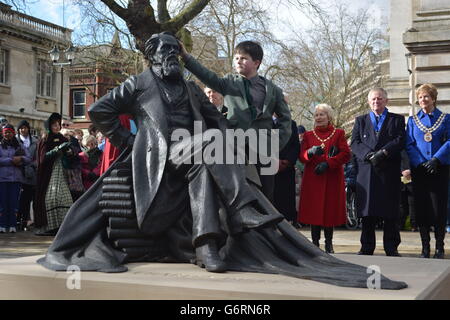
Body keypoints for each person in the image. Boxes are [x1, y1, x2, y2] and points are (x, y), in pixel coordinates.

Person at [37, 32, 407, 290]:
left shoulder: (188, 87)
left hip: (190, 155)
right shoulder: (138, 84)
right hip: (157, 159)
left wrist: (235, 136)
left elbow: (214, 120)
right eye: (164, 53)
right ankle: (241, 209)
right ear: (152, 58)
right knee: (210, 144)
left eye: (173, 53)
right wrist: (128, 139)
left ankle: (207, 246)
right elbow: (101, 109)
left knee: (207, 155)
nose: (170, 58)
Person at [180, 40, 292, 203]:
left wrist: (275, 143)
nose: (238, 61)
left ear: (256, 63)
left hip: (264, 149)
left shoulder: (273, 89)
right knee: (237, 193)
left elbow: (285, 119)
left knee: (266, 195)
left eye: (244, 58)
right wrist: (185, 56)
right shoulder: (229, 82)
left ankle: (265, 228)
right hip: (235, 147)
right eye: (236, 58)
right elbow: (206, 75)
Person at [351, 87, 405, 257]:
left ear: (386, 101)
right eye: (373, 99)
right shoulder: (361, 120)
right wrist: (368, 155)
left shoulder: (397, 120)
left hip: (388, 170)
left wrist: (384, 152)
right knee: (367, 212)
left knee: (390, 211)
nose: (376, 101)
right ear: (369, 102)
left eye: (380, 99)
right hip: (367, 171)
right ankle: (366, 247)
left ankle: (391, 247)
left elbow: (400, 140)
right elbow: (355, 142)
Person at [298, 104, 351, 253]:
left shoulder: (338, 133)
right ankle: (315, 243)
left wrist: (329, 164)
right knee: (314, 210)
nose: (318, 118)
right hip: (313, 178)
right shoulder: (308, 135)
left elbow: (346, 154)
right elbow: (301, 157)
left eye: (322, 114)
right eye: (316, 115)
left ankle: (329, 243)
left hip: (332, 177)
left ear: (329, 117)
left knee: (330, 210)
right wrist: (310, 152)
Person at [406, 83, 450, 259]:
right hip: (420, 170)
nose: (423, 100)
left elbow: (449, 141)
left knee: (439, 208)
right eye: (420, 97)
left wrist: (436, 159)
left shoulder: (446, 119)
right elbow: (409, 144)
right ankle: (425, 247)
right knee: (422, 208)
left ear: (433, 98)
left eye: (426, 96)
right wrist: (419, 162)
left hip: (439, 168)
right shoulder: (412, 121)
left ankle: (439, 246)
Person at [33, 113, 74, 236]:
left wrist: (69, 152)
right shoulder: (45, 139)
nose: (56, 127)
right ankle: (48, 226)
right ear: (49, 126)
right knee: (51, 198)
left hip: (62, 172)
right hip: (49, 174)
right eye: (54, 124)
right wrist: (56, 150)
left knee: (65, 198)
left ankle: (61, 226)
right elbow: (43, 158)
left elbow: (71, 156)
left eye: (58, 124)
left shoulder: (62, 138)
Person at [0, 124, 30, 233]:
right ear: (3, 133)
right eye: (6, 132)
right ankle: (2, 225)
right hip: (2, 179)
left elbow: (28, 158)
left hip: (16, 179)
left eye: (10, 132)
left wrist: (21, 158)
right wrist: (11, 160)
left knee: (13, 203)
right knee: (3, 203)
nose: (8, 134)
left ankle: (12, 225)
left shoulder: (19, 146)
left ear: (13, 133)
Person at [274, 119, 300, 225]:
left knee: (287, 202)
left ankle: (288, 224)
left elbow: (295, 145)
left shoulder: (291, 124)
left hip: (286, 169)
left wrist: (287, 161)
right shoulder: (263, 121)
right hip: (268, 169)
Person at [16, 120, 38, 230]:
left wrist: (33, 164)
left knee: (27, 199)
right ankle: (17, 220)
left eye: (25, 128)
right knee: (19, 199)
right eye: (21, 128)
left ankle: (25, 221)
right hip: (19, 172)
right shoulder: (15, 140)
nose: (23, 130)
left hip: (32, 174)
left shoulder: (35, 141)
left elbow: (38, 157)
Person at [399, 150, 416, 231]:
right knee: (402, 203)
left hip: (413, 178)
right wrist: (402, 171)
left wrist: (410, 171)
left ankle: (414, 225)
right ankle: (400, 224)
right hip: (400, 178)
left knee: (412, 203)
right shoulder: (399, 148)